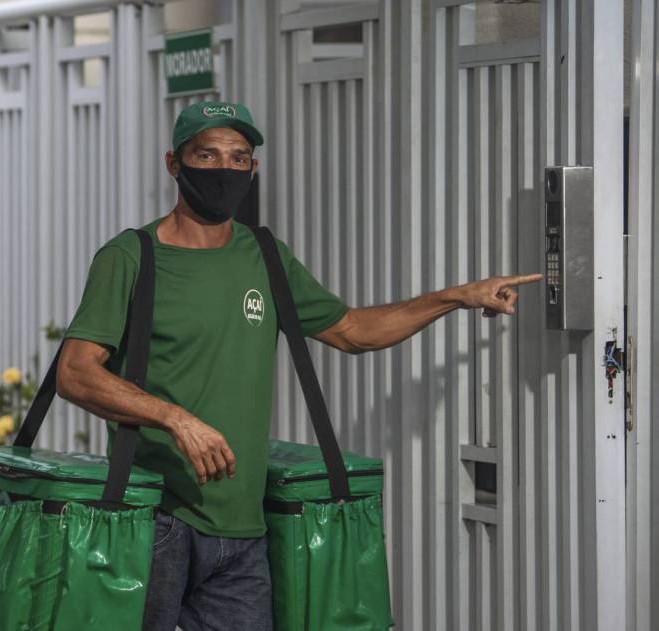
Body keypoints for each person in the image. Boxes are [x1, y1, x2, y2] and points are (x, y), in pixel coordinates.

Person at [54, 100, 541, 631]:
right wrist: (175, 418)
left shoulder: (265, 255)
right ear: (175, 164)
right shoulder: (132, 257)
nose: (224, 169)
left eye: (239, 158)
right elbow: (76, 373)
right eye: (207, 155)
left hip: (242, 526)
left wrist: (456, 296)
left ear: (253, 170)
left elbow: (353, 330)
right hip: (154, 520)